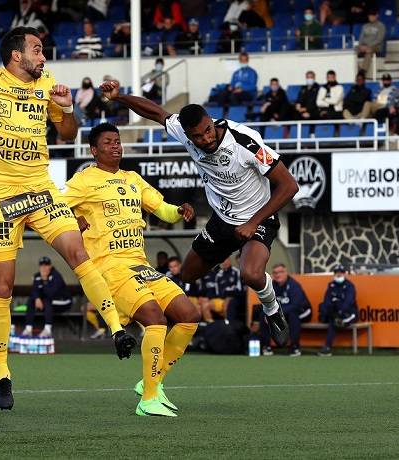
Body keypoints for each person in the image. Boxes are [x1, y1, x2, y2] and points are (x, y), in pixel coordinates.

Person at [0, 0, 136, 411]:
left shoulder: (48, 84)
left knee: (79, 253)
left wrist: (67, 107)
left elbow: (67, 133)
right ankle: (2, 373)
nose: (43, 56)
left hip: (41, 188)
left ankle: (116, 327)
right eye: (37, 50)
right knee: (2, 286)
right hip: (0, 195)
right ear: (15, 55)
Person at [99, 79, 299, 349]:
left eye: (208, 131)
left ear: (211, 122)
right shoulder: (183, 130)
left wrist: (253, 223)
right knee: (189, 274)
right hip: (222, 221)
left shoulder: (244, 141)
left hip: (258, 217)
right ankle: (228, 250)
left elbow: (289, 186)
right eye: (198, 136)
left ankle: (272, 309)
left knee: (250, 274)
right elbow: (155, 112)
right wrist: (119, 97)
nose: (205, 139)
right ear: (187, 133)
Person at [65, 122, 201, 417]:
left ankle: (151, 383)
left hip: (140, 264)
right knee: (155, 318)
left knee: (189, 316)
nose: (116, 146)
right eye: (108, 142)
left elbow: (162, 208)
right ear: (93, 150)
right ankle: (149, 400)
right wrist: (74, 220)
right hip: (110, 266)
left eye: (118, 141)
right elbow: (55, 209)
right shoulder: (84, 181)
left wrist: (178, 211)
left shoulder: (132, 179)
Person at [261, 263, 310, 356]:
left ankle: (295, 347)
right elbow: (267, 304)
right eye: (275, 273)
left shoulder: (294, 285)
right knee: (264, 315)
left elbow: (296, 305)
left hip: (303, 311)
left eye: (281, 272)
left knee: (293, 314)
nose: (278, 275)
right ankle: (266, 346)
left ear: (286, 273)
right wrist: (268, 315)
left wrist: (276, 314)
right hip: (283, 313)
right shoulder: (271, 286)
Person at [20, 256, 72, 338]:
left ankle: (48, 329)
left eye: (46, 265)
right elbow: (34, 290)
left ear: (50, 266)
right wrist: (37, 298)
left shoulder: (56, 276)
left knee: (47, 300)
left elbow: (51, 293)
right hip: (48, 301)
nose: (44, 267)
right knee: (31, 301)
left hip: (64, 302)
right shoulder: (37, 276)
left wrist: (44, 280)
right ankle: (28, 329)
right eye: (42, 265)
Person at [317, 264, 356, 357]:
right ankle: (327, 347)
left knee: (335, 320)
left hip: (348, 313)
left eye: (341, 273)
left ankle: (327, 347)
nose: (339, 275)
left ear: (344, 274)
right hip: (334, 314)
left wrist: (339, 312)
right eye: (337, 273)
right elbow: (326, 300)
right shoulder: (331, 285)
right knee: (326, 310)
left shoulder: (349, 286)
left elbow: (348, 302)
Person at [356, 9, 386, 74]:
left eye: (372, 16)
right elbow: (361, 38)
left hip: (376, 46)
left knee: (369, 51)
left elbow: (379, 39)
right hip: (364, 45)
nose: (370, 18)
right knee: (353, 51)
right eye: (369, 16)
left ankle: (363, 71)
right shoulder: (365, 26)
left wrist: (367, 46)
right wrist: (360, 45)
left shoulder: (381, 26)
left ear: (376, 16)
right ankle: (356, 68)